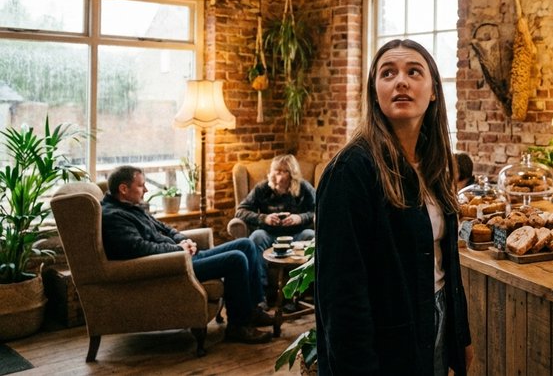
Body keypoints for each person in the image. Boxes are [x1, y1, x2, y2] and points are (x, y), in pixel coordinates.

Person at [315, 39, 473, 375]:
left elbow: (448, 263)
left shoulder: (435, 164)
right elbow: (341, 296)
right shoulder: (350, 171)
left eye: (414, 71)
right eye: (388, 73)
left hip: (437, 319)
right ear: (374, 92)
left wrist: (460, 337)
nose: (400, 80)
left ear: (432, 91)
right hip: (386, 341)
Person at [101, 165, 274, 344]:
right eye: (141, 185)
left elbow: (165, 228)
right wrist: (178, 249)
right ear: (123, 189)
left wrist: (183, 240)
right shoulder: (113, 216)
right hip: (172, 265)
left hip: (182, 256)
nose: (145, 190)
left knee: (246, 244)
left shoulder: (130, 206)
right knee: (236, 259)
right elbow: (139, 248)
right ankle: (238, 327)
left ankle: (252, 310)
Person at [234, 154, 316, 252]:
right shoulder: (262, 188)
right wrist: (264, 218)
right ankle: (260, 268)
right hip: (269, 233)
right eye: (276, 171)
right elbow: (240, 211)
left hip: (297, 233)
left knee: (311, 236)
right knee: (257, 237)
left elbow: (320, 210)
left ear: (292, 174)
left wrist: (300, 218)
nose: (278, 176)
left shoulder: (304, 187)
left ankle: (302, 267)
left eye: (284, 171)